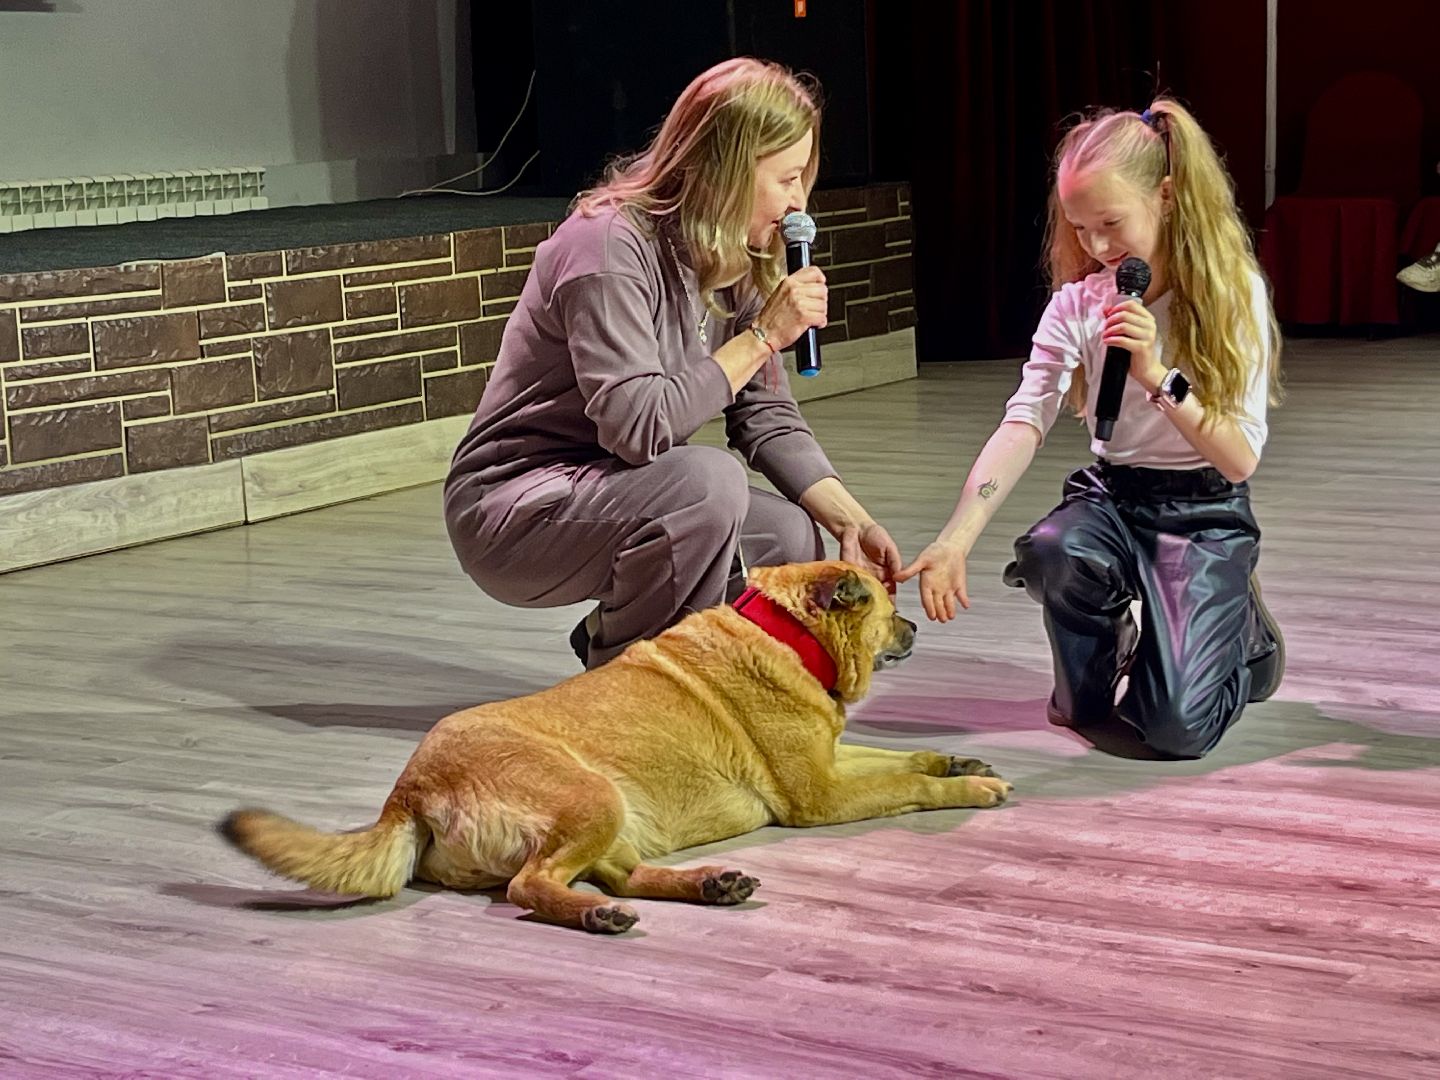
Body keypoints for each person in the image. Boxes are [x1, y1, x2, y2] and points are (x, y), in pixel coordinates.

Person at [444, 57, 902, 669]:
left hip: (609, 489)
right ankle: (633, 691)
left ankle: (649, 656)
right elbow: (638, 428)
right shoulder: (607, 245)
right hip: (516, 506)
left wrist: (854, 521)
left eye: (804, 178)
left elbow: (765, 416)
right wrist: (764, 334)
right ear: (728, 170)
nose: (799, 203)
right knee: (707, 485)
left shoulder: (733, 251)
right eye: (787, 179)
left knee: (787, 536)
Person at [898, 99, 1285, 760]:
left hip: (1204, 505)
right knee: (1059, 577)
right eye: (1080, 229)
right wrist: (954, 538)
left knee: (1173, 730)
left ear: (1165, 198)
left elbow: (1239, 458)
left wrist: (1158, 374)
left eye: (1111, 223)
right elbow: (1025, 419)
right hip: (1115, 494)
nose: (1099, 249)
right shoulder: (1078, 302)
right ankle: (1122, 644)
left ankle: (1244, 637)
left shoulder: (1230, 292)